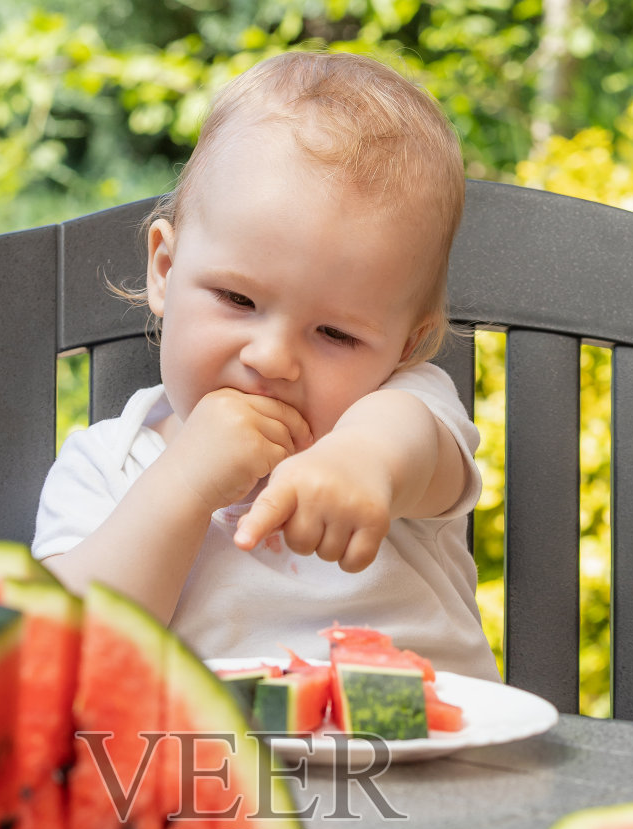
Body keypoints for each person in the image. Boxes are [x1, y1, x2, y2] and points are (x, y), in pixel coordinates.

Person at [33, 51, 500, 681]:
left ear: (407, 346)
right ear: (166, 271)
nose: (273, 359)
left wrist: (361, 462)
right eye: (237, 300)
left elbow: (409, 450)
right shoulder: (107, 465)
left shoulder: (403, 407)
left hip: (427, 765)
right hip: (194, 771)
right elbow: (68, 652)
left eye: (335, 333)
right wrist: (185, 483)